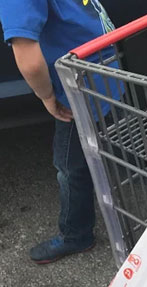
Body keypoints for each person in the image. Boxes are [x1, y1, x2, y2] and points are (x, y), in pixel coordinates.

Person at [0, 1, 116, 264]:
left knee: (69, 166)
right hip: (107, 63)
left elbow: (28, 61)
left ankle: (77, 234)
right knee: (111, 139)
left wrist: (47, 96)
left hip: (79, 86)